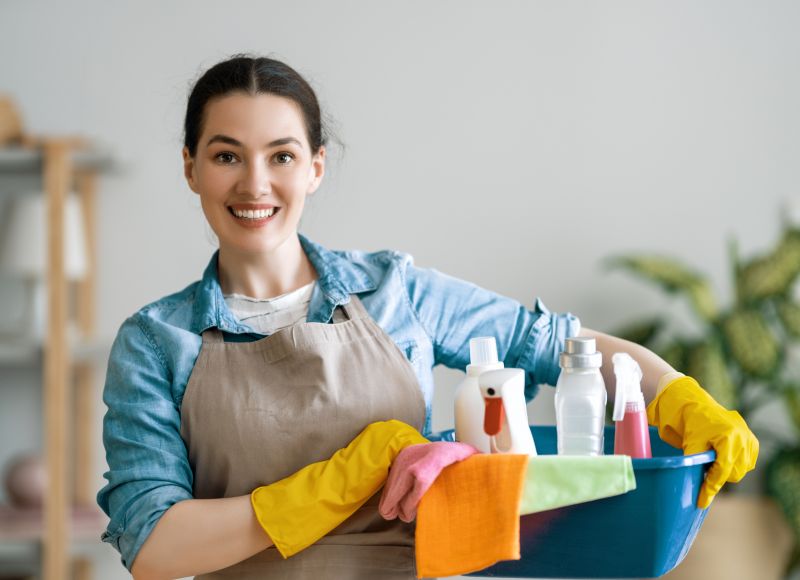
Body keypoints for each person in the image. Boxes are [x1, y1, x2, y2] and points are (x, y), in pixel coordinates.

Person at [97, 55, 758, 580]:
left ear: (316, 168)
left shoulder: (394, 291)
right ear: (191, 168)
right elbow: (154, 545)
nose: (255, 185)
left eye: (282, 156)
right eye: (225, 155)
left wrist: (678, 395)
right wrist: (339, 480)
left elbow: (562, 346)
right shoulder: (158, 343)